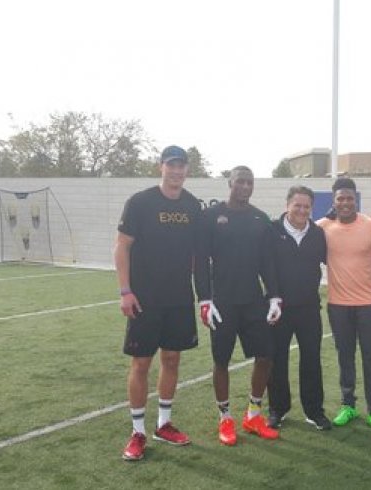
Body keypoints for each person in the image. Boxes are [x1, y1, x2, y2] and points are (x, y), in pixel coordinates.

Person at [115, 145, 201, 461]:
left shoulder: (193, 206)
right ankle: (138, 431)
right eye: (171, 165)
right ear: (161, 167)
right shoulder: (140, 202)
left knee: (173, 359)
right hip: (145, 299)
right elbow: (121, 247)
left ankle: (163, 425)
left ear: (187, 170)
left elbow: (198, 253)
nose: (176, 171)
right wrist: (126, 290)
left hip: (179, 298)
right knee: (140, 363)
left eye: (181, 166)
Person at [194, 166, 283, 446]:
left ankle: (253, 414)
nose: (245, 186)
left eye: (250, 182)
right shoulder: (210, 217)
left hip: (253, 301)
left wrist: (274, 296)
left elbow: (268, 262)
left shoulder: (260, 219)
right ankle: (225, 418)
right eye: (240, 182)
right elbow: (199, 260)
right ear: (230, 183)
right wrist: (205, 299)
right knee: (222, 360)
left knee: (266, 356)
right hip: (222, 302)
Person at [317, 177, 371, 435]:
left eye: (349, 198)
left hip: (368, 305)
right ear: (333, 201)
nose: (345, 203)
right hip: (337, 306)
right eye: (340, 199)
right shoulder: (322, 227)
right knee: (344, 357)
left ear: (355, 199)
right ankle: (348, 405)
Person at [265, 185, 331, 431]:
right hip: (278, 307)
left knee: (312, 359)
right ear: (287, 205)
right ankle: (277, 410)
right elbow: (265, 266)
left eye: (306, 206)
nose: (302, 210)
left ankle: (314, 411)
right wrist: (272, 297)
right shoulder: (271, 231)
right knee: (277, 360)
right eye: (297, 205)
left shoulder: (318, 233)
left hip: (309, 308)